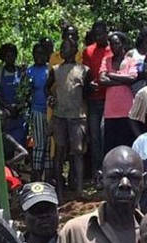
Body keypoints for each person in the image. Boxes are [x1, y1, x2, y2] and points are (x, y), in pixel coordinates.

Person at [50, 39, 88, 194]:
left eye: (65, 47)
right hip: (59, 116)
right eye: (61, 47)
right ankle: (59, 190)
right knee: (59, 152)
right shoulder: (55, 69)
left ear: (74, 50)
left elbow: (87, 93)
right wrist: (52, 98)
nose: (62, 51)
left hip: (77, 117)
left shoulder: (84, 70)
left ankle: (79, 190)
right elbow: (48, 87)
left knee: (78, 153)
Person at [100, 32, 142, 151]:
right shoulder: (106, 60)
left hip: (127, 110)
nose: (114, 47)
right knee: (110, 146)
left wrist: (111, 75)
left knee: (127, 143)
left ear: (123, 44)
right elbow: (102, 80)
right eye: (111, 44)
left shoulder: (130, 61)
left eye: (117, 43)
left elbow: (132, 79)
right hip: (110, 111)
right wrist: (123, 80)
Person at [83, 22, 112, 168]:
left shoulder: (113, 48)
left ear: (107, 33)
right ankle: (96, 171)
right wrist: (89, 84)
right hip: (94, 100)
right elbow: (85, 74)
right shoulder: (88, 51)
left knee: (105, 134)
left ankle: (108, 167)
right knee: (94, 137)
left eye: (102, 34)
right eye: (96, 35)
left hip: (110, 99)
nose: (99, 37)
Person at [25, 43, 52, 180]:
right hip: (37, 110)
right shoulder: (29, 71)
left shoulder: (50, 69)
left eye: (41, 53)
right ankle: (36, 174)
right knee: (39, 144)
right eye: (36, 53)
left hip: (50, 111)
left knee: (48, 144)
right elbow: (25, 93)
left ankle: (48, 175)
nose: (39, 56)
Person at [0, 43, 27, 147]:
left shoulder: (21, 72)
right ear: (3, 57)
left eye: (12, 55)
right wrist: (6, 107)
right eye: (7, 56)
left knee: (19, 146)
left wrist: (18, 106)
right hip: (5, 116)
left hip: (19, 115)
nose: (10, 58)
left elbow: (26, 92)